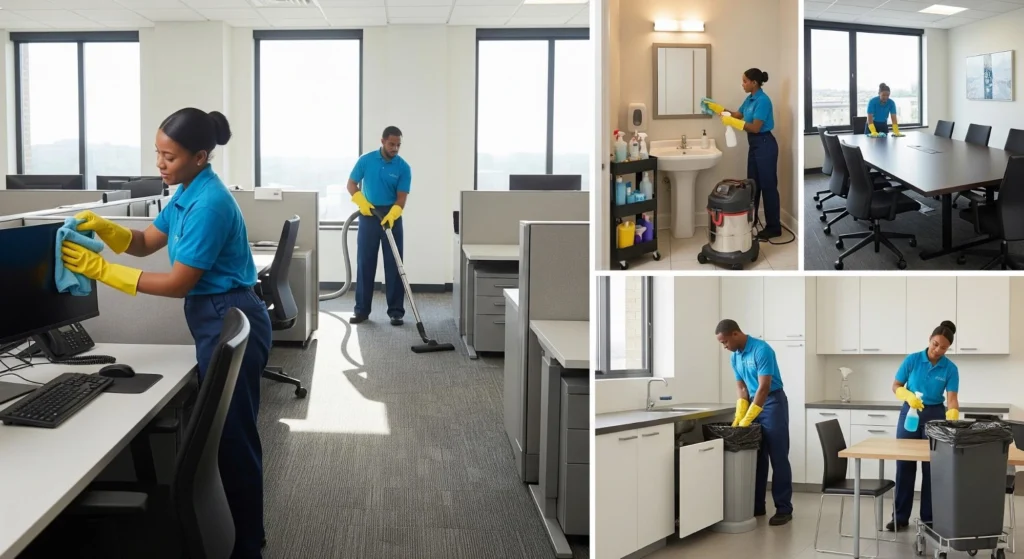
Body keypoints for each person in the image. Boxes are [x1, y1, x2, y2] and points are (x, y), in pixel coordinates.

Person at [60, 108, 272, 558]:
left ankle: (247, 546)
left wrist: (104, 271)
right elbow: (144, 244)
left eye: (169, 156)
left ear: (199, 157)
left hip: (227, 312)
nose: (159, 163)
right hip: (214, 313)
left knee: (233, 439)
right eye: (157, 153)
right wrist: (108, 230)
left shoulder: (209, 204)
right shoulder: (186, 193)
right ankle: (242, 534)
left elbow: (178, 283)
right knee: (227, 435)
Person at [716, 319, 793, 526]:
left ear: (735, 334)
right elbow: (742, 388)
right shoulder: (735, 357)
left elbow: (764, 387)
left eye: (725, 342)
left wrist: (750, 416)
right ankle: (757, 505)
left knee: (778, 456)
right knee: (756, 457)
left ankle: (784, 508)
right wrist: (741, 412)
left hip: (773, 402)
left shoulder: (761, 350)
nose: (724, 347)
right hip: (753, 402)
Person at [887, 320, 960, 532]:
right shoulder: (912, 360)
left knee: (932, 468)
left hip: (935, 416)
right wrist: (907, 396)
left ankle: (929, 519)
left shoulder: (950, 368)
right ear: (930, 339)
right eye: (935, 344)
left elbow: (952, 398)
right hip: (910, 411)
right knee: (904, 466)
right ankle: (900, 517)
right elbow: (896, 385)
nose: (937, 350)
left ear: (948, 348)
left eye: (943, 347)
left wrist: (952, 416)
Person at [347, 126, 412, 326]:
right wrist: (361, 202)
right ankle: (361, 311)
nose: (395, 148)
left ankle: (396, 312)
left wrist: (393, 213)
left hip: (392, 217)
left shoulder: (403, 167)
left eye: (398, 145)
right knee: (365, 263)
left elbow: (401, 198)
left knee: (394, 265)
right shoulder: (366, 160)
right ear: (382, 141)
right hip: (369, 215)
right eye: (392, 144)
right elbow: (351, 184)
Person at [706, 68, 780, 240]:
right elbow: (736, 115)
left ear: (754, 83)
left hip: (765, 144)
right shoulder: (750, 99)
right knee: (752, 186)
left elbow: (755, 127)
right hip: (754, 145)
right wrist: (718, 108)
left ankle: (774, 227)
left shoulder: (763, 101)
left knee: (768, 186)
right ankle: (750, 223)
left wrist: (734, 122)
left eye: (745, 81)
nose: (743, 84)